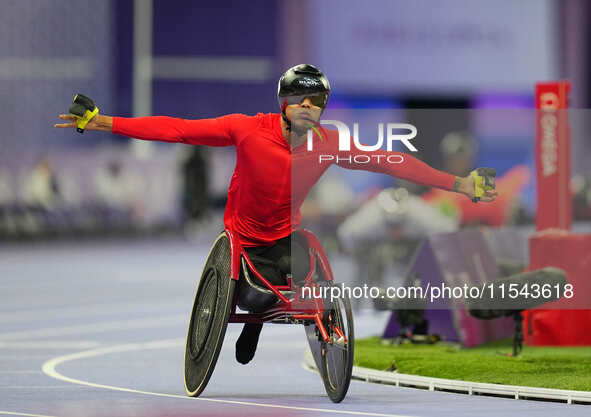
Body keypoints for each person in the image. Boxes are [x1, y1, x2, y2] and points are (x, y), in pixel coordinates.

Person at [55, 64, 497, 365]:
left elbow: (391, 161)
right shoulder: (246, 129)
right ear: (284, 102)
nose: (308, 106)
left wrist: (459, 184)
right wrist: (105, 122)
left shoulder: (329, 143)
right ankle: (254, 325)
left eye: (317, 101)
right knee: (256, 295)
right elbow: (177, 128)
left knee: (295, 283)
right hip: (242, 236)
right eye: (300, 99)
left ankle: (275, 321)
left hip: (287, 234)